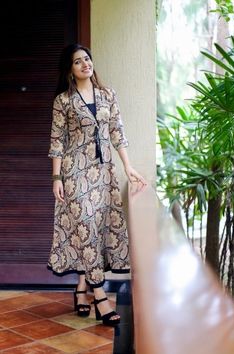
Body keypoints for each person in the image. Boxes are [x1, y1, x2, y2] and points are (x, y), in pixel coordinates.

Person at [48, 44, 146, 326]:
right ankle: (100, 296)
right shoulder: (63, 101)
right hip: (75, 172)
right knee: (85, 225)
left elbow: (117, 131)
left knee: (97, 229)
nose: (85, 64)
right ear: (70, 69)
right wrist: (56, 178)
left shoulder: (107, 94)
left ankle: (80, 288)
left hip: (104, 174)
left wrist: (128, 167)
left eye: (87, 59)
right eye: (78, 62)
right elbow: (57, 141)